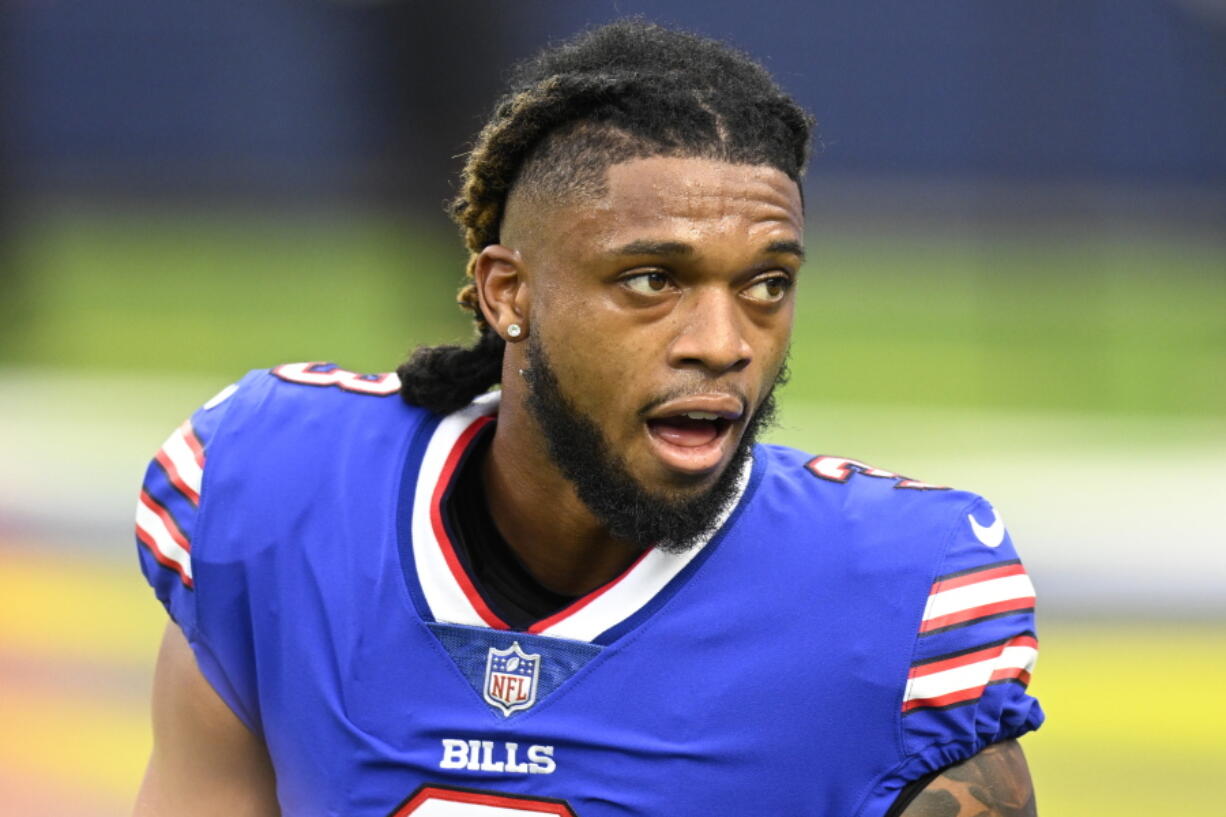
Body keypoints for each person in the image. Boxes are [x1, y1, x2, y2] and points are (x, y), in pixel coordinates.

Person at [132, 20, 1043, 817]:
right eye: (653, 280)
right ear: (507, 294)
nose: (725, 343)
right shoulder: (279, 492)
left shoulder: (894, 596)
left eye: (768, 283)